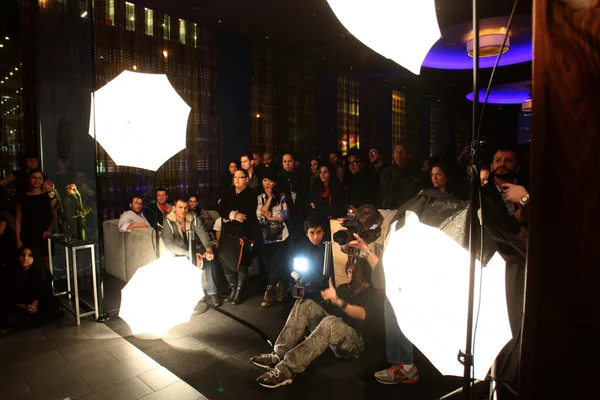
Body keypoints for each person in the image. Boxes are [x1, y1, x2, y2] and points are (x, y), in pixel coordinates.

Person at [250, 208, 383, 389]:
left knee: (330, 321)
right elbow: (343, 247)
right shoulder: (346, 280)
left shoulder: (373, 283)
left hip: (355, 341)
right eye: (350, 268)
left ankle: (286, 369)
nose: (350, 270)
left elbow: (363, 316)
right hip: (338, 330)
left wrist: (337, 301)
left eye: (355, 269)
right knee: (304, 304)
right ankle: (278, 353)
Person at [342, 205, 420, 385]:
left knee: (397, 314)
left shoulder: (397, 230)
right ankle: (399, 362)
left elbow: (384, 270)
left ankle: (407, 368)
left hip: (405, 276)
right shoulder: (371, 224)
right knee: (390, 314)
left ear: (378, 224)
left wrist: (365, 248)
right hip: (391, 279)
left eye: (369, 231)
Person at [162, 198, 220, 307]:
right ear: (174, 208)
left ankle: (213, 292)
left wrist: (208, 249)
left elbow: (203, 233)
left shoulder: (193, 217)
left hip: (195, 246)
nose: (183, 210)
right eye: (180, 207)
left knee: (210, 258)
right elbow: (169, 244)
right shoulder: (168, 222)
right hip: (180, 252)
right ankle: (195, 294)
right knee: (190, 261)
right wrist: (190, 254)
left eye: (185, 207)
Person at [218, 169, 262, 305]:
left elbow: (246, 214)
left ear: (246, 179)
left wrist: (231, 215)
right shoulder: (228, 192)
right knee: (224, 258)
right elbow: (220, 209)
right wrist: (233, 215)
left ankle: (239, 291)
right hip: (228, 232)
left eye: (240, 177)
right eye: (235, 176)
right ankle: (232, 288)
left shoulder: (250, 194)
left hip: (243, 232)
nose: (237, 179)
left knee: (241, 261)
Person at [1, 248, 63, 338]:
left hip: (36, 305)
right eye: (23, 255)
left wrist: (35, 303)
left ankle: (15, 327)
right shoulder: (10, 271)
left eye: (30, 256)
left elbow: (46, 291)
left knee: (54, 309)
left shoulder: (41, 271)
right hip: (18, 305)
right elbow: (7, 294)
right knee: (9, 317)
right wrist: (24, 306)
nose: (25, 258)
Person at [256, 174, 290, 307]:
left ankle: (268, 293)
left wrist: (270, 218)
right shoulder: (260, 198)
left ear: (275, 183)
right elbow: (260, 214)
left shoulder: (282, 197)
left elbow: (285, 215)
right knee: (270, 266)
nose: (267, 183)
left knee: (277, 264)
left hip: (281, 236)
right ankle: (279, 289)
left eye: (270, 180)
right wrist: (269, 198)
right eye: (265, 180)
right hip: (265, 237)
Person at [15, 169, 57, 268]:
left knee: (46, 262)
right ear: (29, 179)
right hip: (28, 234)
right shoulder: (22, 198)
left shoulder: (48, 196)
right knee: (28, 262)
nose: (36, 180)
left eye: (40, 178)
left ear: (43, 181)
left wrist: (49, 231)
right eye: (34, 177)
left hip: (44, 234)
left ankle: (47, 283)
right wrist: (17, 239)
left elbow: (55, 216)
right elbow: (18, 219)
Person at [378, 143, 424, 210]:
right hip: (387, 211)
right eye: (396, 151)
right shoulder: (386, 173)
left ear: (409, 155)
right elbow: (381, 195)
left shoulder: (416, 174)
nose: (398, 154)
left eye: (402, 152)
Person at [305, 164, 346, 237]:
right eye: (320, 172)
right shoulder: (316, 185)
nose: (322, 174)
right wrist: (313, 207)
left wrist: (319, 209)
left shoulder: (337, 186)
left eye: (325, 172)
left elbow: (340, 208)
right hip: (319, 223)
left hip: (334, 221)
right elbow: (308, 202)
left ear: (330, 173)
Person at [278, 152, 307, 241]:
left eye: (290, 161)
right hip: (285, 211)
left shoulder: (301, 175)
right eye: (285, 161)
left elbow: (304, 192)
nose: (287, 164)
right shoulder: (279, 176)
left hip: (299, 210)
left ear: (295, 162)